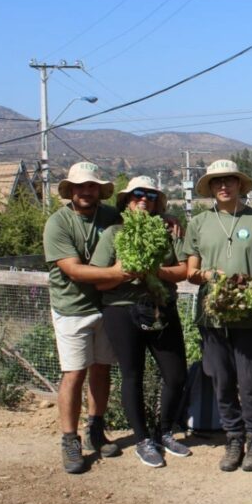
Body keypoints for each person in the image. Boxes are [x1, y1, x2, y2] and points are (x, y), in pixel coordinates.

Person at [183, 159, 252, 472]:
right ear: (210, 187)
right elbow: (190, 271)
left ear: (239, 184)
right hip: (212, 315)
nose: (224, 186)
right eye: (217, 182)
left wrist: (249, 290)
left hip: (247, 313)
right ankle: (233, 437)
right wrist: (209, 276)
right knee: (221, 379)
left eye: (229, 180)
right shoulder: (199, 222)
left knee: (249, 379)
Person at [90, 176, 191, 469]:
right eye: (137, 195)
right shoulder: (113, 233)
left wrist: (155, 271)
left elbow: (183, 269)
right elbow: (99, 279)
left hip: (162, 306)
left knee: (176, 375)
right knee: (132, 374)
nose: (143, 200)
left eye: (149, 195)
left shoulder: (168, 232)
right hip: (122, 310)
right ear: (127, 201)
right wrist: (125, 273)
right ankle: (143, 439)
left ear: (157, 202)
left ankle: (165, 431)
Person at [43, 162, 128, 474]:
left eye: (91, 186)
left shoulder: (109, 217)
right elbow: (73, 269)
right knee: (74, 373)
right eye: (80, 186)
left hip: (105, 306)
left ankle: (95, 428)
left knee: (101, 370)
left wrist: (168, 218)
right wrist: (117, 273)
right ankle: (69, 439)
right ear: (71, 190)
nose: (86, 191)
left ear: (98, 190)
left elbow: (134, 224)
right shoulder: (59, 223)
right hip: (72, 309)